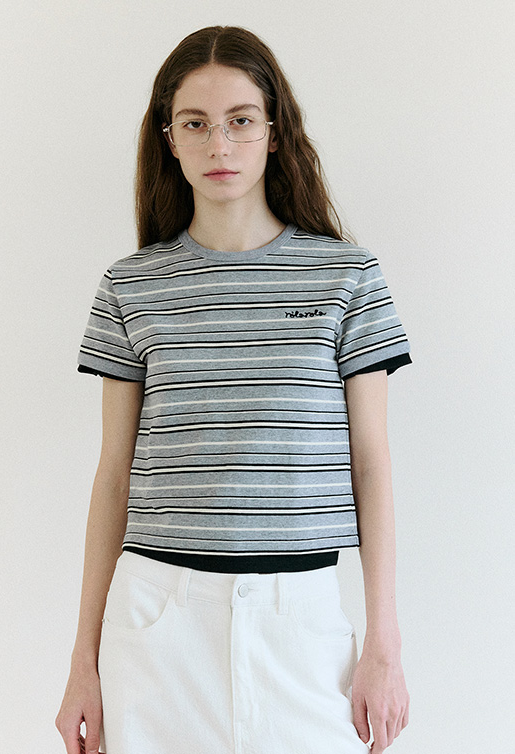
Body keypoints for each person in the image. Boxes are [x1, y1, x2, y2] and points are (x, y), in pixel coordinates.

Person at [56, 25, 411, 754]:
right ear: (168, 139)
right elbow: (114, 476)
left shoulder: (347, 277)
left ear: (275, 132)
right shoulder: (130, 286)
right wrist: (82, 662)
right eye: (195, 124)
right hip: (157, 624)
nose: (219, 145)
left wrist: (385, 645)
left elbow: (370, 464)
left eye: (240, 120)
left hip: (301, 623)